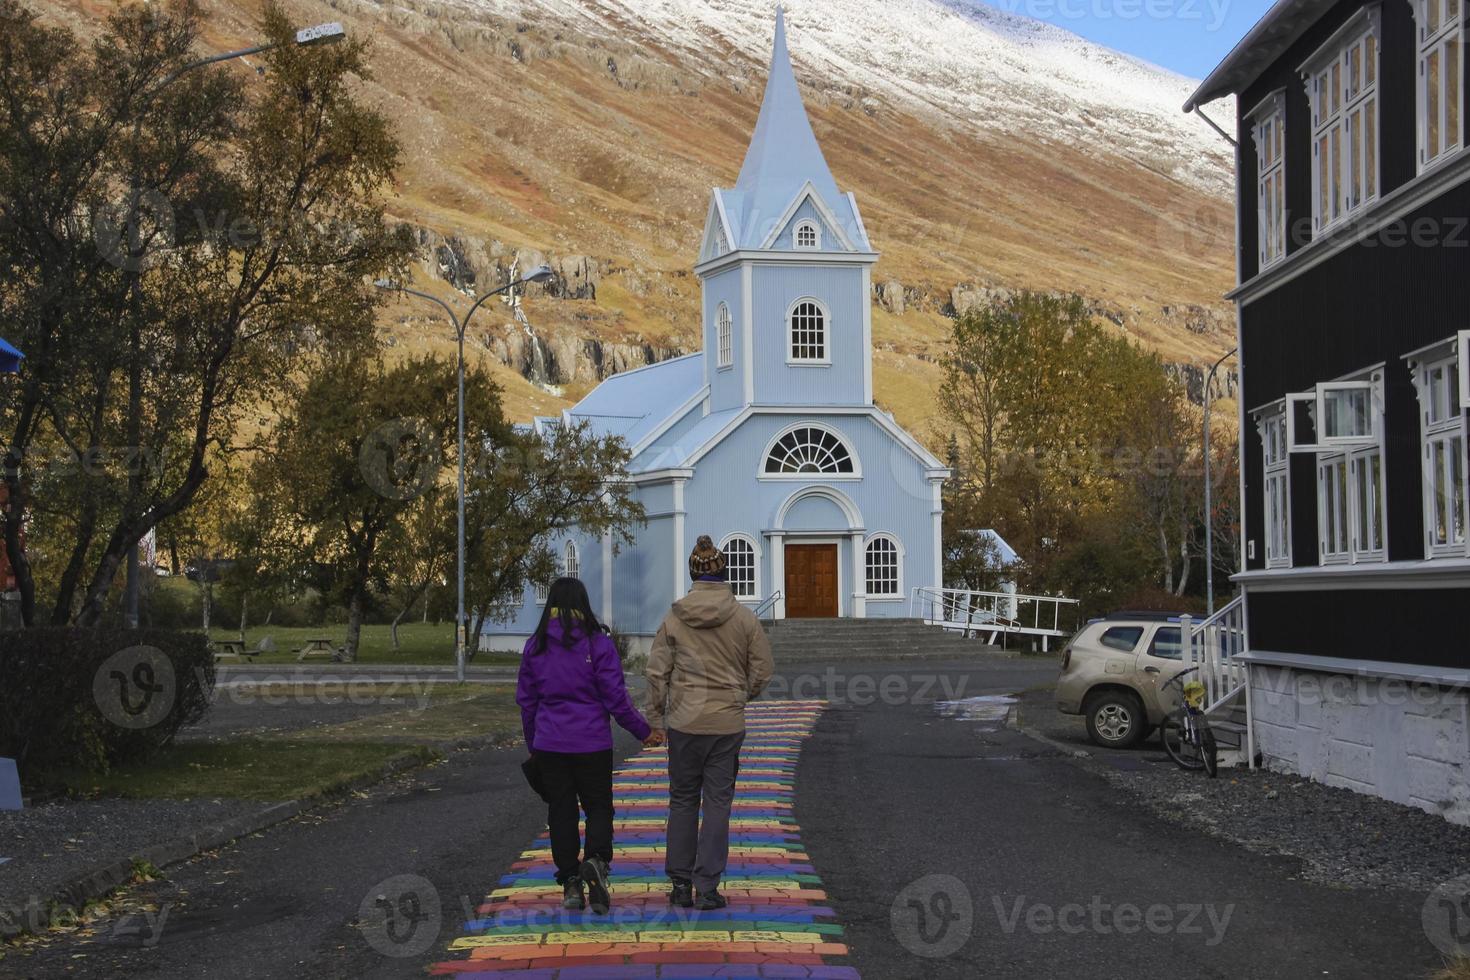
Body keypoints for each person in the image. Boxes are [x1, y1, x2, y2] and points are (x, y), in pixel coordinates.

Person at [515, 577, 662, 914]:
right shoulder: (599, 644)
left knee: (561, 812)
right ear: (585, 604)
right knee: (598, 806)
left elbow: (528, 703)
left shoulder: (535, 646)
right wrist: (643, 732)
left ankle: (569, 882)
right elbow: (616, 699)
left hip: (550, 743)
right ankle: (596, 859)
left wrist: (533, 744)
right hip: (592, 743)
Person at [645, 535, 774, 911]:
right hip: (726, 725)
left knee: (682, 800)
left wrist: (656, 718)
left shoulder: (674, 618)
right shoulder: (745, 618)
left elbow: (656, 674)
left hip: (685, 722)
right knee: (718, 802)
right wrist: (739, 696)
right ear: (725, 573)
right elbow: (763, 670)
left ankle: (680, 884)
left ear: (692, 575)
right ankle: (709, 886)